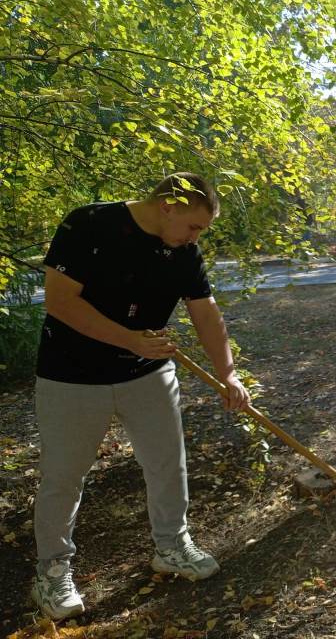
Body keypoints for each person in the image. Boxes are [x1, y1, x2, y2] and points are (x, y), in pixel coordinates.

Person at [31, 173, 251, 620]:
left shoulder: (182, 251)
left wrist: (228, 373)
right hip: (71, 378)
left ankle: (172, 546)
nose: (195, 238)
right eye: (194, 226)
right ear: (168, 205)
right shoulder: (88, 224)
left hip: (148, 374)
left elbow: (205, 310)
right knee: (63, 477)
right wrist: (130, 340)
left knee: (168, 463)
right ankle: (52, 573)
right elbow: (60, 301)